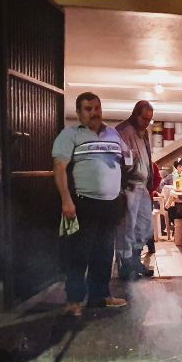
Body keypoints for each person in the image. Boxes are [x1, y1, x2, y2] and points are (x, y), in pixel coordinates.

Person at [51, 92, 129, 316]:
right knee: (79, 253)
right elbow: (60, 169)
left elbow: (122, 162)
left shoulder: (113, 134)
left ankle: (100, 296)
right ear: (78, 112)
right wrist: (66, 200)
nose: (94, 113)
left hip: (110, 204)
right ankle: (74, 300)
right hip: (84, 203)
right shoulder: (70, 135)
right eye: (88, 109)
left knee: (104, 252)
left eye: (97, 108)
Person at [114, 101, 155, 280]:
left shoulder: (143, 132)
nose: (147, 122)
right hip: (129, 185)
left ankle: (135, 260)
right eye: (144, 118)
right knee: (127, 227)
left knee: (145, 224)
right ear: (136, 114)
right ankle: (126, 264)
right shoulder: (122, 131)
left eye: (149, 119)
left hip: (142, 184)